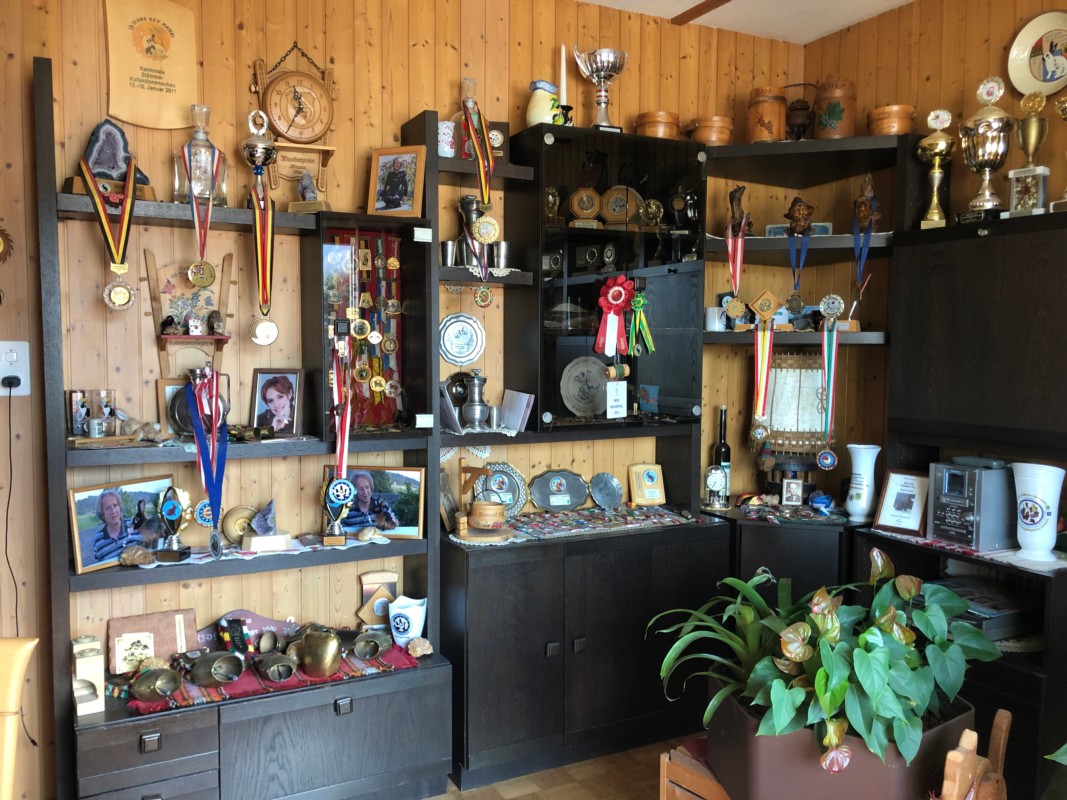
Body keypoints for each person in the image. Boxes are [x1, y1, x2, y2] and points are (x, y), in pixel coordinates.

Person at [91, 490, 142, 563]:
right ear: (102, 514)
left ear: (119, 507)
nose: (113, 511)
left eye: (115, 505)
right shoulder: (98, 540)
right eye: (108, 508)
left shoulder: (136, 526)